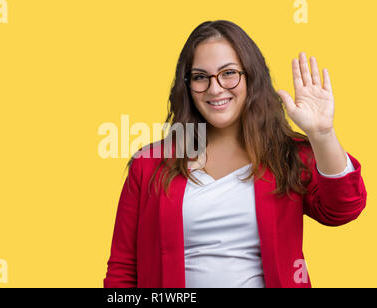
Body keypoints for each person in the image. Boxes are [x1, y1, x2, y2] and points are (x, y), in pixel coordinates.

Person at [103, 20, 367, 288]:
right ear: (188, 85)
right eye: (200, 77)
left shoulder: (287, 156)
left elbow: (343, 209)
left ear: (251, 76)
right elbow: (122, 270)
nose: (215, 88)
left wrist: (322, 134)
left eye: (228, 73)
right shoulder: (150, 165)